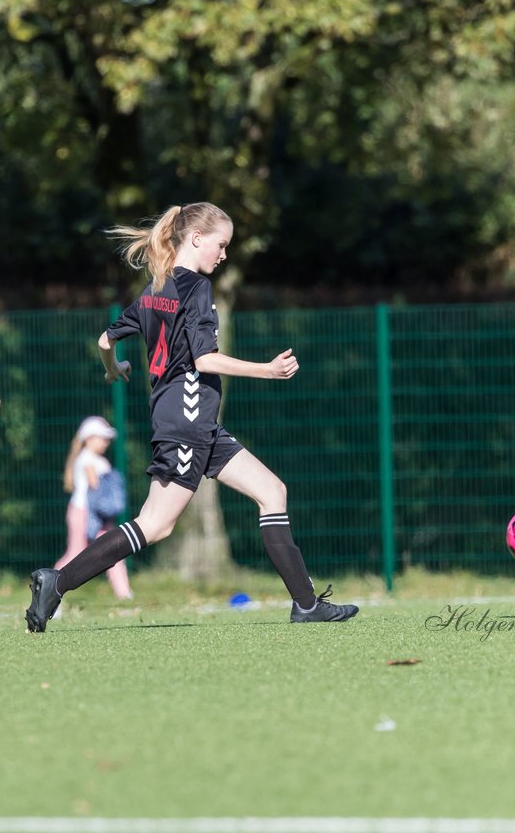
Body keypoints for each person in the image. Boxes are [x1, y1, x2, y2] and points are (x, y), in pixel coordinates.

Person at [24, 202, 358, 632]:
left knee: (272, 491)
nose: (223, 255)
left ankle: (307, 604)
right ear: (196, 238)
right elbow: (205, 359)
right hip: (186, 421)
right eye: (221, 245)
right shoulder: (196, 289)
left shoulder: (155, 288)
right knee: (156, 524)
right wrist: (267, 370)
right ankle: (58, 580)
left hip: (196, 422)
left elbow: (106, 339)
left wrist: (113, 369)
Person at [54, 415, 133, 605]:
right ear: (89, 438)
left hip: (97, 516)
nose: (106, 442)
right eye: (102, 438)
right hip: (84, 514)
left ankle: (124, 595)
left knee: (113, 551)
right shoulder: (88, 460)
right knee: (74, 554)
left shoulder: (95, 460)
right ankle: (50, 587)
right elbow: (95, 487)